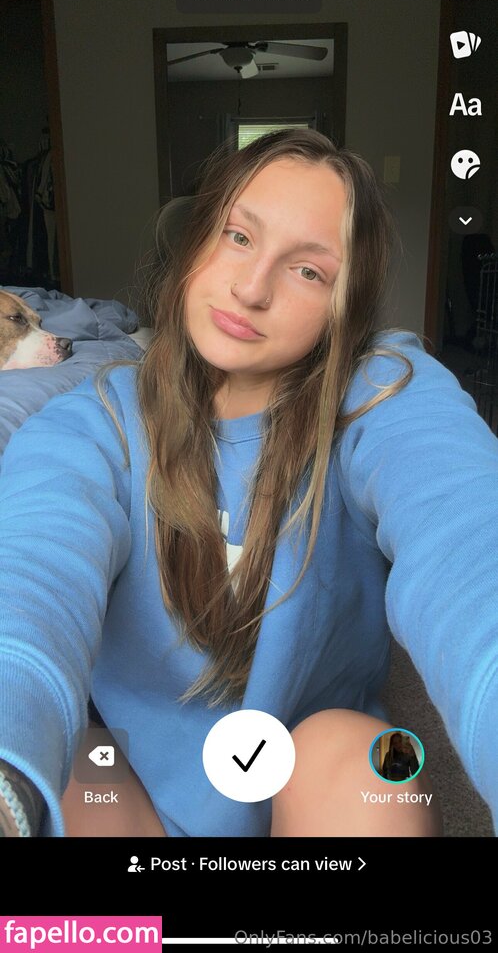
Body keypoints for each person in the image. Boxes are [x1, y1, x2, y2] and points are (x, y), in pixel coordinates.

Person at [0, 128, 497, 840]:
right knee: (69, 772)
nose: (251, 287)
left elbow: (468, 537)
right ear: (197, 241)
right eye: (238, 237)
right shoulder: (94, 419)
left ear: (345, 304)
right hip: (140, 788)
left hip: (316, 783)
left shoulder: (384, 392)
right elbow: (29, 576)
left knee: (368, 771)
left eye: (308, 271)